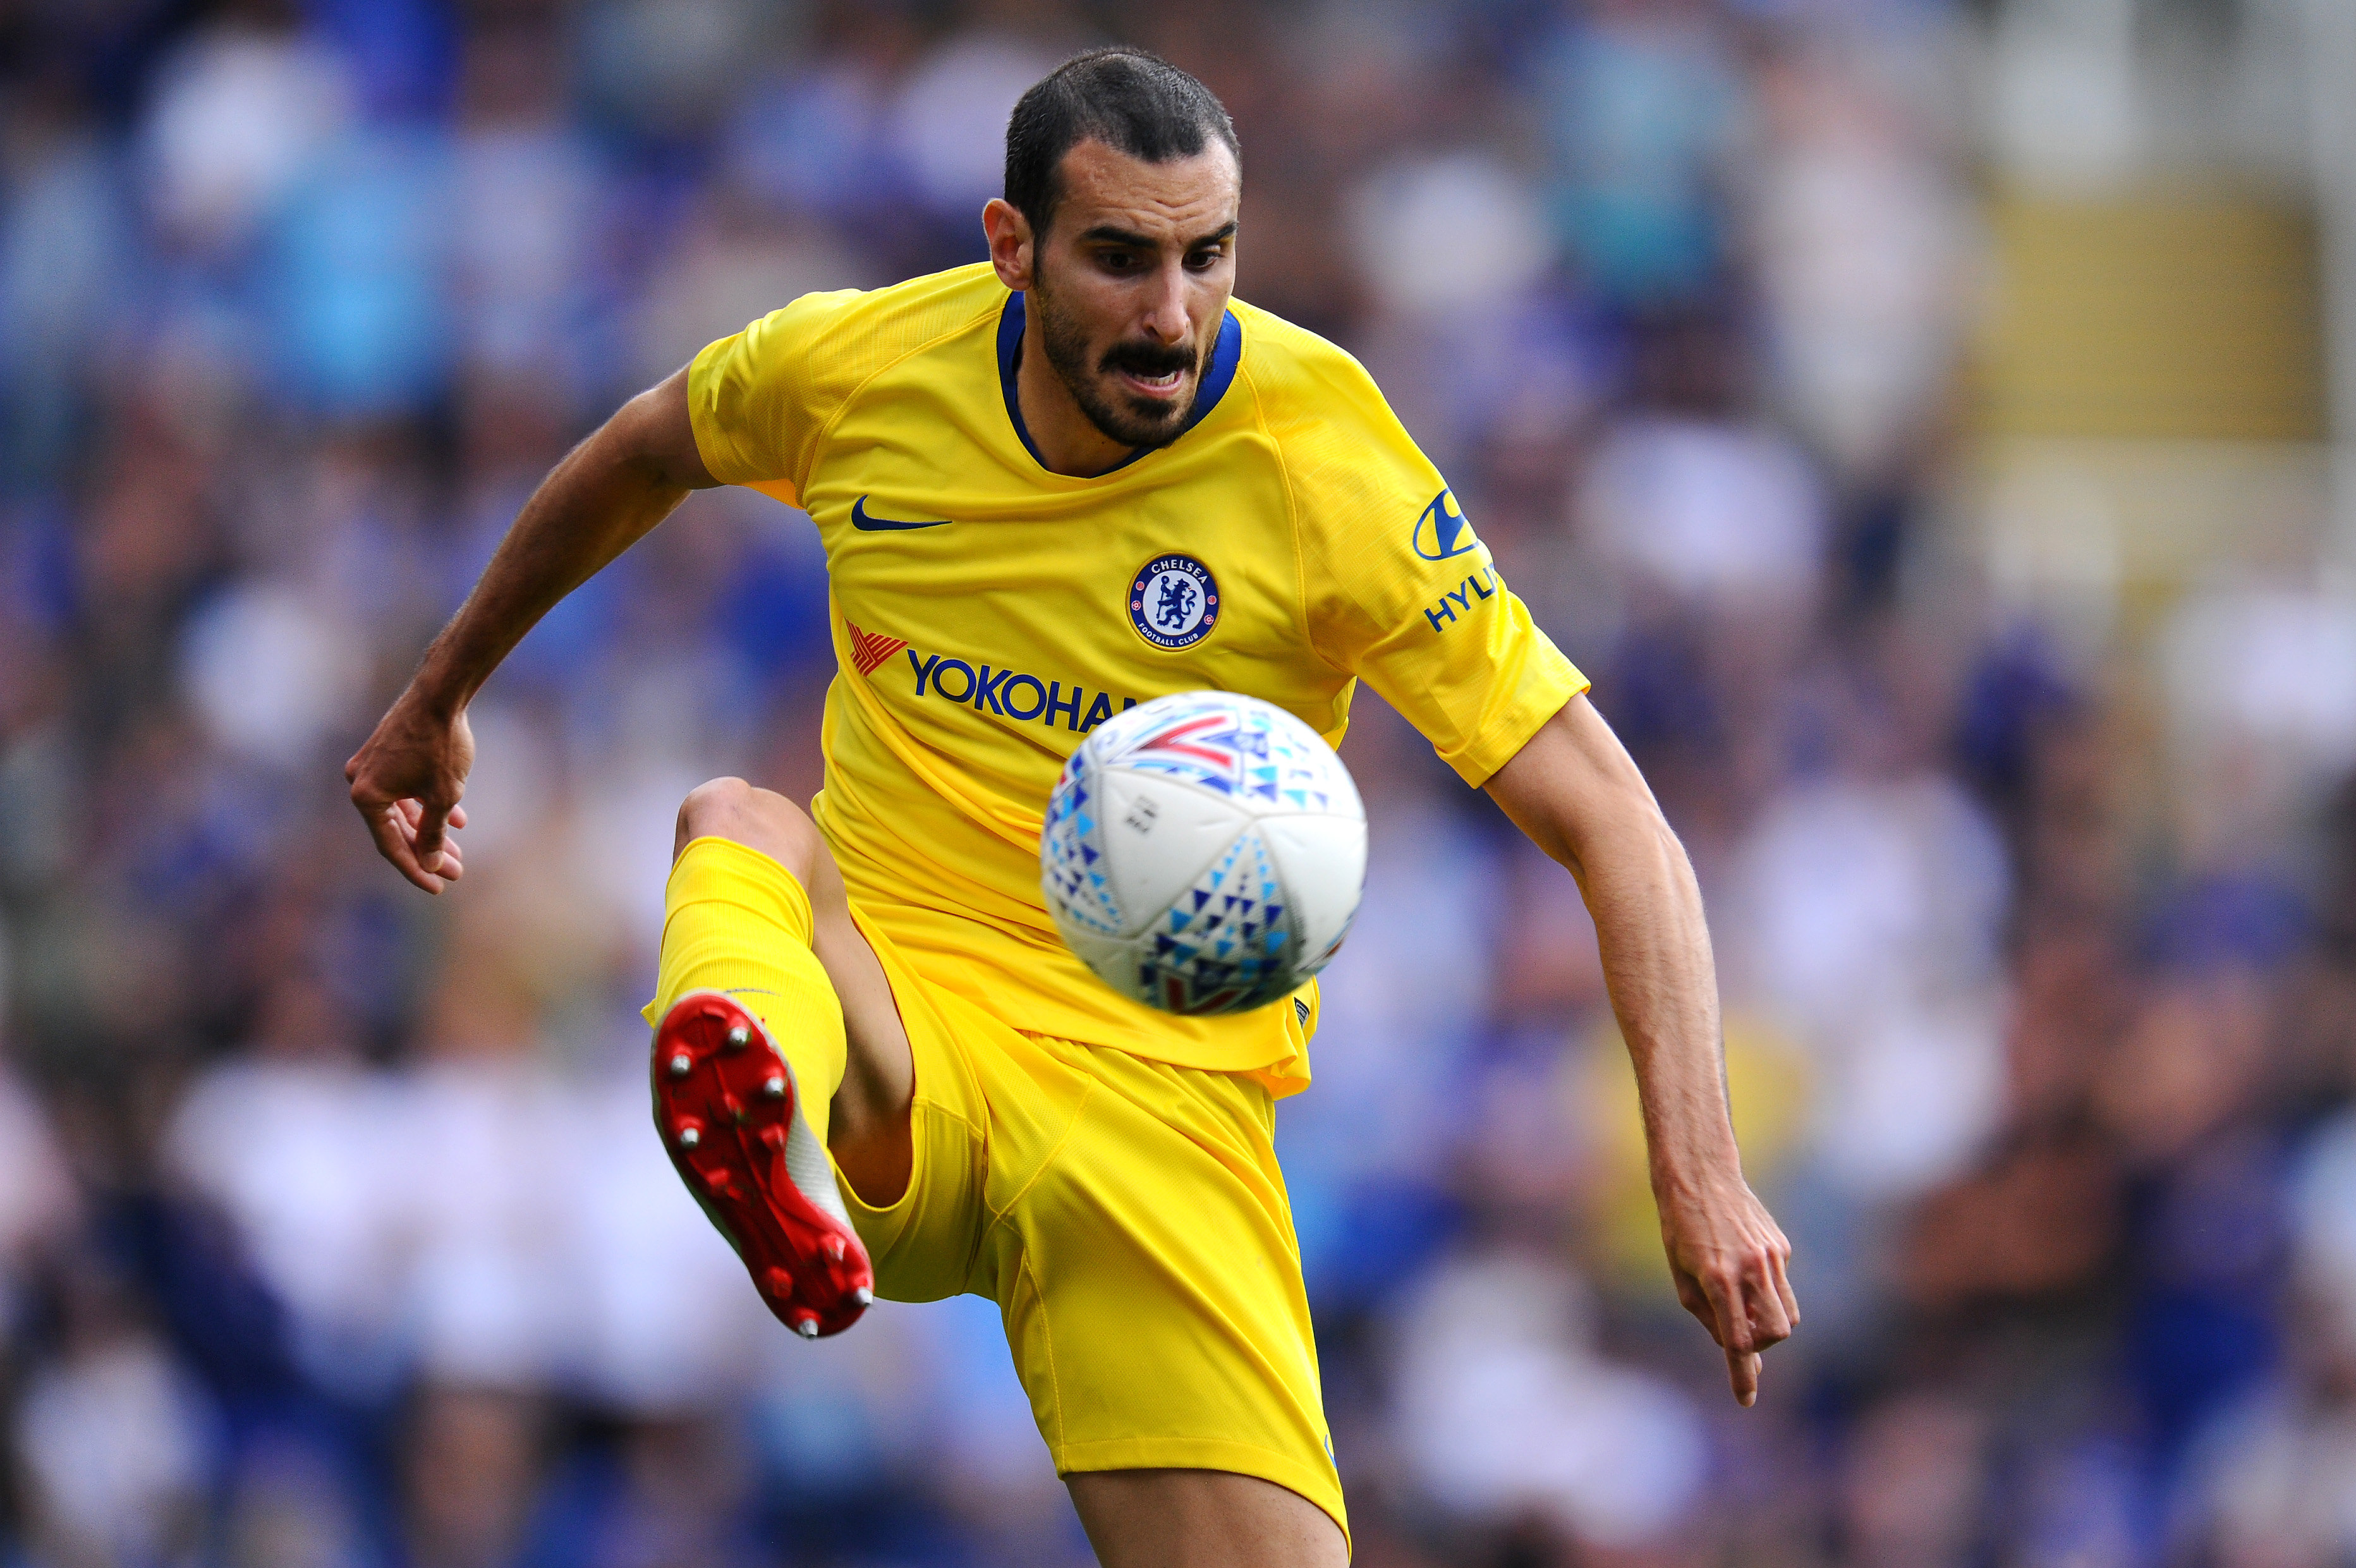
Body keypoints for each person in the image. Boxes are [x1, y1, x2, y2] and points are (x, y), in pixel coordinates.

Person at [345, 47, 1797, 1566]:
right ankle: (758, 1116)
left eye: (1206, 257)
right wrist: (439, 692)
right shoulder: (859, 370)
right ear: (1009, 245)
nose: (1173, 314)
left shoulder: (1324, 461)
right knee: (741, 823)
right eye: (1119, 257)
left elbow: (1614, 818)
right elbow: (648, 447)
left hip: (1156, 1104)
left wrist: (1695, 1169)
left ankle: (768, 1098)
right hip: (899, 1032)